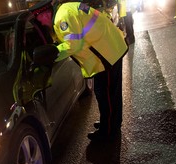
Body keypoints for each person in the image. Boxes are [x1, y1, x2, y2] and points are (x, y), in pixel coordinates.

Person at [29, 0, 128, 142]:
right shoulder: (65, 10)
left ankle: (108, 132)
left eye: (40, 19)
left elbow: (73, 45)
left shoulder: (62, 17)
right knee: (110, 93)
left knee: (106, 95)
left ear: (46, 12)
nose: (42, 23)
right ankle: (110, 122)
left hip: (106, 54)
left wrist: (55, 52)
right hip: (109, 48)